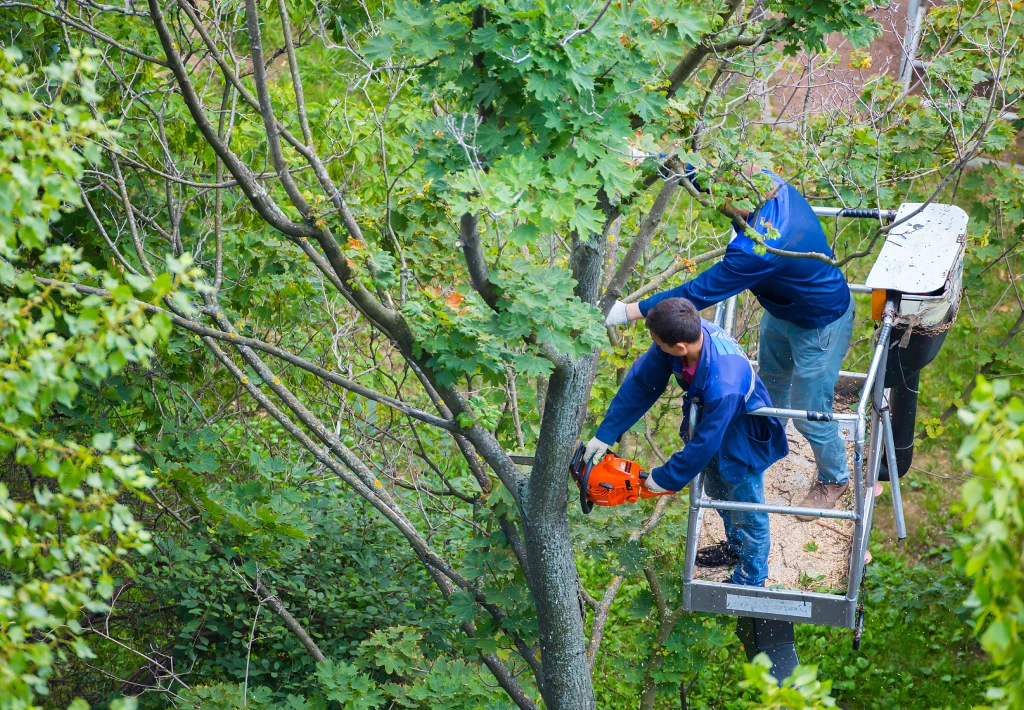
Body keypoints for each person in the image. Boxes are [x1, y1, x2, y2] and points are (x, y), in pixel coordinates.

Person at [604, 167, 855, 516]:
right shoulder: (765, 183)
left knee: (809, 412)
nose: (714, 204)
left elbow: (698, 292)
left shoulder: (760, 245)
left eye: (720, 201)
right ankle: (766, 445)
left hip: (820, 321)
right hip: (781, 310)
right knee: (772, 381)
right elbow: (705, 171)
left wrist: (630, 310)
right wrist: (656, 160)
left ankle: (834, 477)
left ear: (738, 201)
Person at [585, 297, 799, 677]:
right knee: (718, 493)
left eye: (658, 343)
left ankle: (751, 577)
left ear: (680, 346)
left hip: (742, 433)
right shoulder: (678, 341)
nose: (656, 346)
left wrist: (659, 480)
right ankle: (735, 548)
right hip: (711, 423)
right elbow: (641, 384)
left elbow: (703, 447)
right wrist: (605, 435)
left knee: (747, 505)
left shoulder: (725, 381)